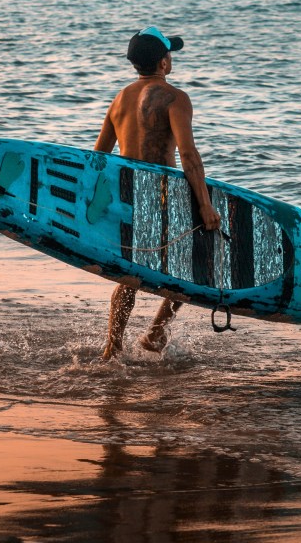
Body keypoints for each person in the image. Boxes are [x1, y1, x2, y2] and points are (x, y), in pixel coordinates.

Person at [95, 26, 221, 360]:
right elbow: (189, 155)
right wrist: (205, 205)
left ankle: (114, 345)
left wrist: (98, 205)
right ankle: (155, 333)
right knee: (192, 266)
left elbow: (98, 158)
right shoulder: (175, 98)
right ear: (163, 63)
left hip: (126, 195)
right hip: (161, 195)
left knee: (129, 272)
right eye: (170, 54)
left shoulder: (119, 99)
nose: (170, 59)